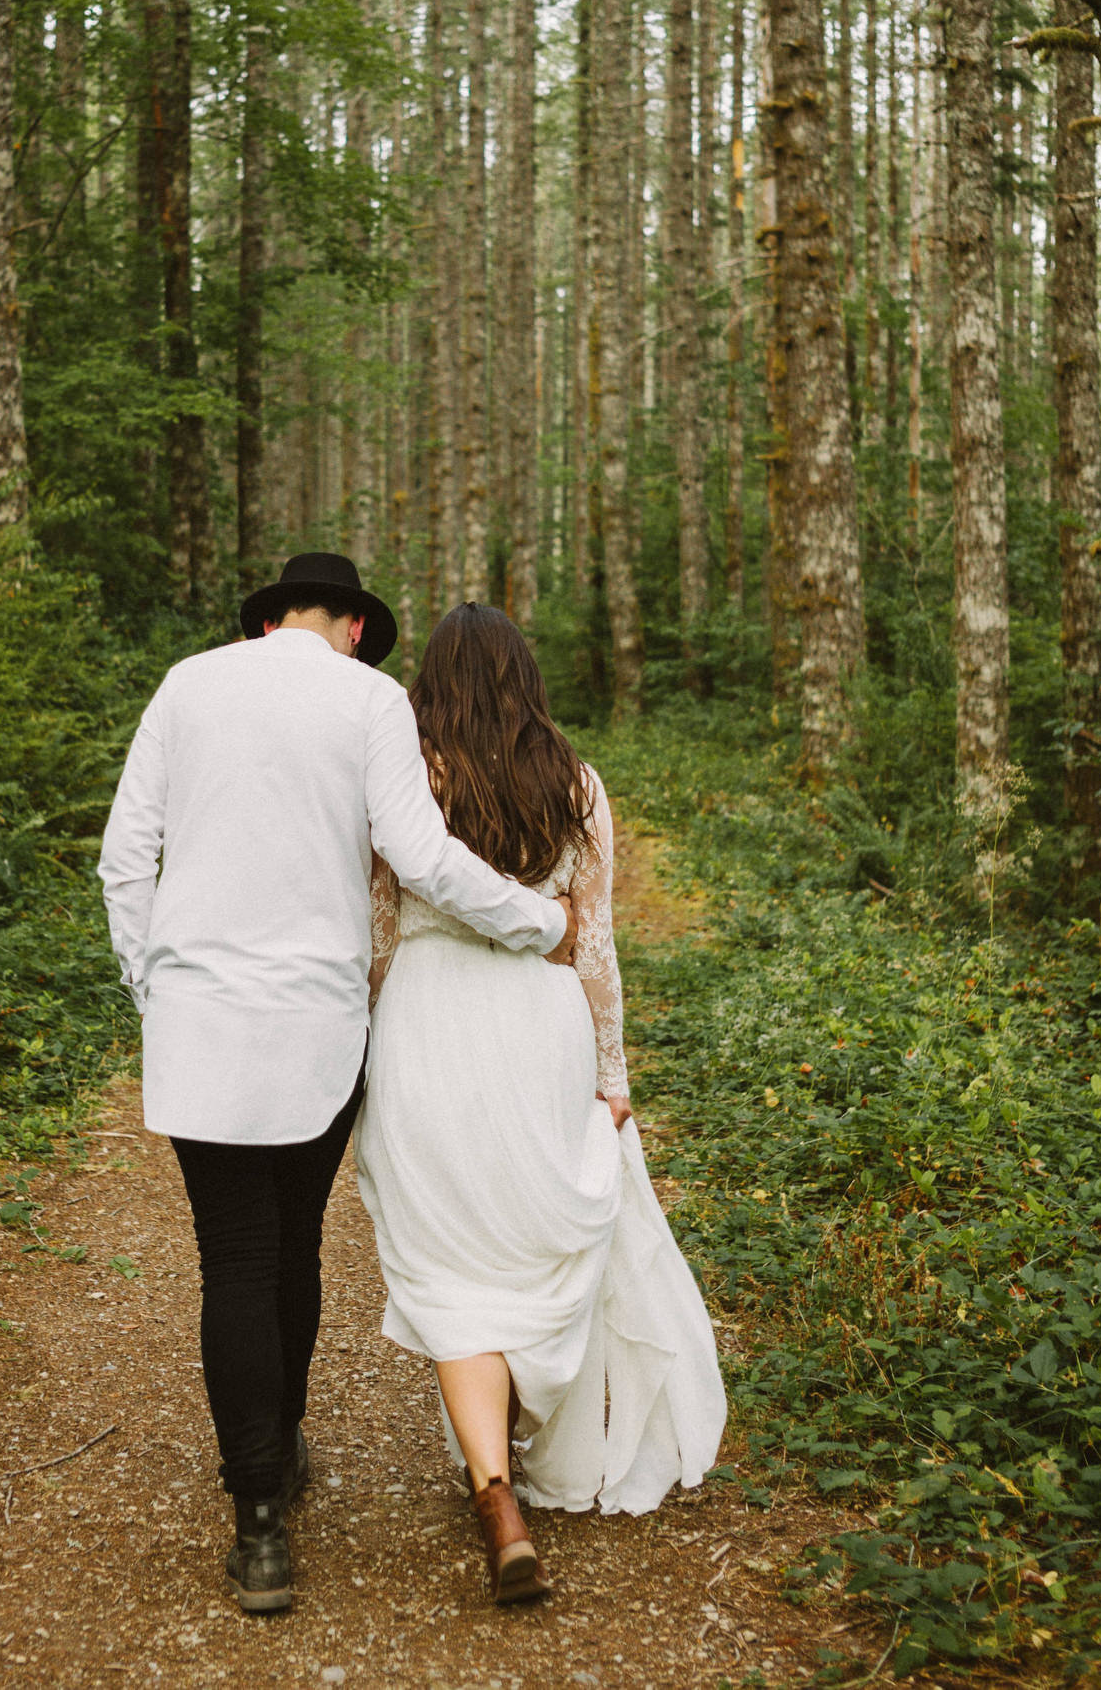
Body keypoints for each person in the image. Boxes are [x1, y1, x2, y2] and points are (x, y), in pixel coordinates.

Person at [96, 555, 579, 1615]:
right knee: (292, 1244)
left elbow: (125, 859)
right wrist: (537, 920)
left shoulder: (184, 684)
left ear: (267, 620)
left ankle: (260, 1521)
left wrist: (154, 987)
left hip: (198, 1022)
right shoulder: (368, 702)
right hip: (316, 1023)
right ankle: (281, 1445)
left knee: (232, 1257)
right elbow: (418, 857)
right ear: (355, 628)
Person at [354, 603, 727, 1605]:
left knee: (449, 1269)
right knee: (528, 1250)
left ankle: (494, 1494)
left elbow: (381, 934)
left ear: (428, 681)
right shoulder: (574, 783)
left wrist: (362, 1052)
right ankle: (518, 1455)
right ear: (526, 679)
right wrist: (612, 1075)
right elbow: (592, 946)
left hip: (428, 1022)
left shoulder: (404, 778)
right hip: (538, 1025)